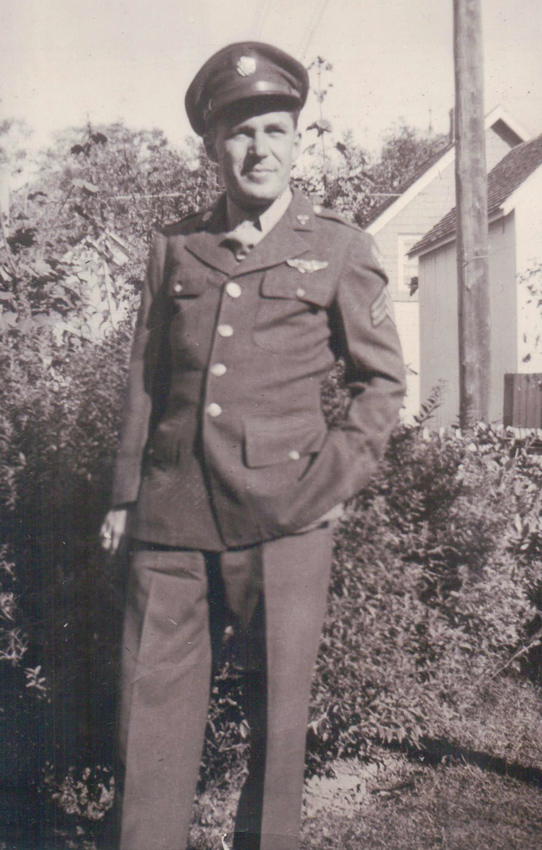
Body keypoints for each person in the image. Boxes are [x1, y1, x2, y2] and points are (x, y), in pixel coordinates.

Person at [100, 41, 406, 850]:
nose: (259, 149)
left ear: (298, 141)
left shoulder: (338, 247)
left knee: (277, 723)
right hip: (170, 515)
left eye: (275, 130)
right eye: (240, 133)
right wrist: (124, 494)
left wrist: (326, 488)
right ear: (212, 146)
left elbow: (382, 385)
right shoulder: (175, 246)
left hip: (286, 518)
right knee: (147, 719)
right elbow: (145, 375)